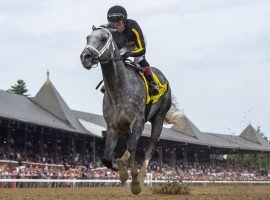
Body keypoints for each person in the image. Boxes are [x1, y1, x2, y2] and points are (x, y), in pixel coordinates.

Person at [107, 5, 159, 95]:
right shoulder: (109, 29)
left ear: (124, 20)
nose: (116, 25)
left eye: (118, 22)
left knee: (139, 60)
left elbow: (142, 50)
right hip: (125, 46)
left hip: (137, 44)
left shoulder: (133, 26)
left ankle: (153, 83)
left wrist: (128, 54)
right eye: (113, 23)